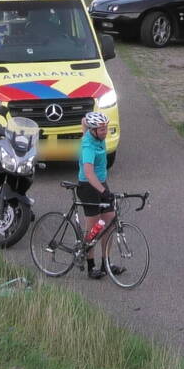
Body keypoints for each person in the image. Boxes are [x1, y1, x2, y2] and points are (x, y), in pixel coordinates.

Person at [78, 111, 121, 279]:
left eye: (106, 128)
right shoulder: (87, 146)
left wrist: (104, 189)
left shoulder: (95, 134)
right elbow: (88, 173)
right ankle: (91, 266)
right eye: (102, 130)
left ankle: (106, 264)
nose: (105, 132)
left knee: (109, 220)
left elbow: (83, 121)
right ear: (94, 130)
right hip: (88, 187)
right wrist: (104, 192)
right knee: (94, 228)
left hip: (101, 184)